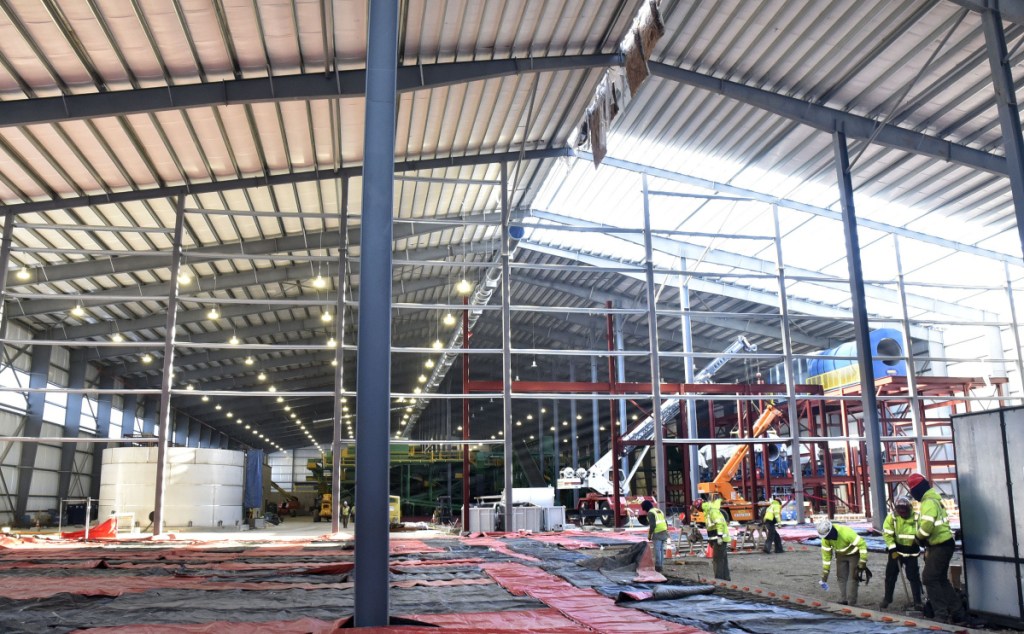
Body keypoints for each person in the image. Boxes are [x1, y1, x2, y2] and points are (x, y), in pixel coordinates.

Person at [908, 472, 967, 624]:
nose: (913, 495)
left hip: (940, 545)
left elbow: (927, 526)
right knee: (940, 579)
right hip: (941, 544)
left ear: (918, 490)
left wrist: (918, 538)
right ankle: (957, 612)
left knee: (929, 578)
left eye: (913, 491)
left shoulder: (929, 502)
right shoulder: (933, 499)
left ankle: (941, 614)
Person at [880, 496, 923, 610]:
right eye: (900, 511)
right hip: (896, 552)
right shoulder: (892, 518)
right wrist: (892, 549)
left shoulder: (917, 517)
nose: (903, 513)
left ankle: (917, 601)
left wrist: (920, 543)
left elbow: (923, 532)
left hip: (911, 553)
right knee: (890, 576)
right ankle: (887, 599)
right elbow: (887, 534)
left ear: (909, 508)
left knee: (913, 577)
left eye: (904, 511)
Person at [816, 518, 867, 605]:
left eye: (828, 536)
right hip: (840, 556)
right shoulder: (825, 540)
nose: (827, 538)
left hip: (854, 555)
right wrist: (825, 572)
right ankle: (844, 599)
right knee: (841, 577)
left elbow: (862, 544)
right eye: (825, 537)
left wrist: (862, 560)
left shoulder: (846, 533)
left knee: (853, 578)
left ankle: (851, 601)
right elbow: (826, 557)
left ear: (831, 530)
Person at [694, 497, 731, 580]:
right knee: (722, 559)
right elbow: (712, 526)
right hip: (717, 539)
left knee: (717, 560)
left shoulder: (711, 511)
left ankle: (719, 579)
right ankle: (726, 578)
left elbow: (719, 523)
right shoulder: (708, 512)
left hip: (719, 539)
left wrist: (719, 537)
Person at [640, 500, 669, 573]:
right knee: (661, 550)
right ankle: (661, 565)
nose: (645, 512)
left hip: (658, 532)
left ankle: (658, 567)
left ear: (645, 508)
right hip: (664, 531)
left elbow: (653, 525)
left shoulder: (650, 513)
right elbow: (665, 522)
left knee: (657, 550)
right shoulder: (658, 511)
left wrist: (650, 535)